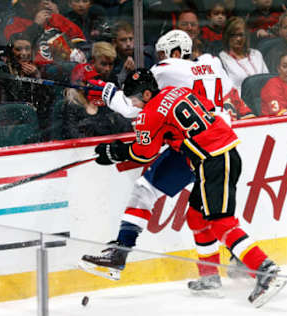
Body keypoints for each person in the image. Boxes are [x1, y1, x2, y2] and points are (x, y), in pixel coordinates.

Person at [83, 68, 287, 308]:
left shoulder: (150, 113)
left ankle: (266, 271)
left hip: (213, 160)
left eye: (136, 98)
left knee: (221, 221)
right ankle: (210, 276)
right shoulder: (176, 91)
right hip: (220, 153)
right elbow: (206, 112)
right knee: (197, 216)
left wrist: (115, 152)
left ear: (147, 94)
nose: (134, 104)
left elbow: (143, 153)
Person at [82, 30, 254, 296]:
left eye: (162, 54)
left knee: (146, 190)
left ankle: (120, 253)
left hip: (193, 147)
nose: (159, 60)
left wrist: (107, 93)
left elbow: (136, 106)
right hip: (220, 140)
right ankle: (227, 265)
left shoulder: (167, 69)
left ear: (175, 53)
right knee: (203, 213)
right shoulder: (215, 64)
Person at [0, 32, 55, 140]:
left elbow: (49, 101)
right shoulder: (4, 73)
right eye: (18, 49)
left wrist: (37, 77)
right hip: (13, 126)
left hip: (39, 124)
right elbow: (1, 103)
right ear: (11, 52)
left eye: (27, 49)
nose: (24, 53)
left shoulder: (41, 70)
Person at [4, 0, 86, 65]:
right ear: (23, 3)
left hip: (65, 68)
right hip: (36, 70)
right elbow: (17, 49)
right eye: (36, 1)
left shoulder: (56, 18)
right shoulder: (14, 23)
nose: (44, 3)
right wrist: (36, 26)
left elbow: (81, 42)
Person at [219, 16, 269, 97]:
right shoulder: (222, 58)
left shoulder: (256, 54)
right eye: (233, 35)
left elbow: (268, 81)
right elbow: (226, 89)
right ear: (227, 36)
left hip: (263, 99)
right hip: (241, 103)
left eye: (241, 35)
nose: (238, 38)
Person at [110, 20, 154, 85]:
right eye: (123, 40)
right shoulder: (110, 60)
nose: (128, 44)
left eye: (131, 39)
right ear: (114, 42)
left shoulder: (145, 58)